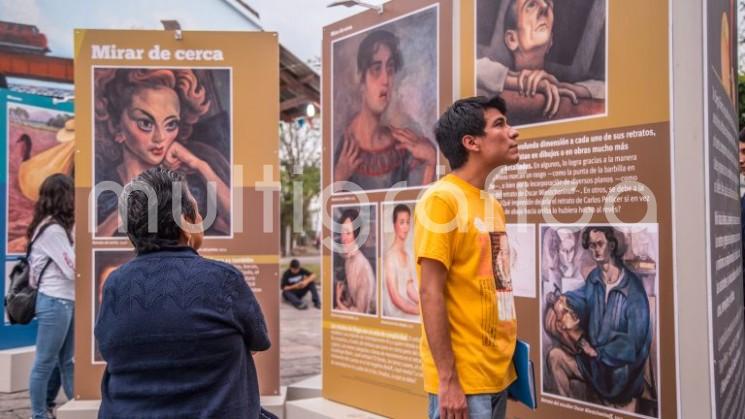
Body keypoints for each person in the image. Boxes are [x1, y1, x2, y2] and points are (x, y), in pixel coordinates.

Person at [95, 168, 270, 418]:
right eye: (197, 210)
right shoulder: (223, 280)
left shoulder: (115, 284)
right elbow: (257, 342)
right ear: (186, 223)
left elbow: (110, 346)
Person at [415, 95, 520, 419]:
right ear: (471, 141)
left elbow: (497, 287)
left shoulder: (492, 205)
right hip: (463, 383)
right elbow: (429, 292)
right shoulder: (441, 200)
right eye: (499, 124)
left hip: (496, 375)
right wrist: (448, 381)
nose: (513, 133)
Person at [94, 68, 230, 236]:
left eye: (170, 124)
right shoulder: (101, 186)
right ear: (116, 126)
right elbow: (88, 253)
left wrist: (200, 165)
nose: (160, 138)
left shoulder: (192, 184)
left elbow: (239, 227)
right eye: (145, 123)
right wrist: (116, 219)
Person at [545, 226, 652, 412]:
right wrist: (563, 300)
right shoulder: (595, 278)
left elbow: (634, 343)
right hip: (592, 366)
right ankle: (567, 411)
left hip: (619, 376)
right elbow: (583, 298)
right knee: (554, 357)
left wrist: (598, 352)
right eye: (592, 245)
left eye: (600, 244)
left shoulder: (633, 290)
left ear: (611, 245)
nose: (595, 249)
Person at [334, 30, 436, 191]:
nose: (385, 80)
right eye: (376, 69)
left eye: (390, 69)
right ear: (362, 79)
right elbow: (334, 213)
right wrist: (338, 181)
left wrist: (431, 162)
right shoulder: (344, 148)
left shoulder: (402, 147)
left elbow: (420, 210)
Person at [477, 0, 603, 118]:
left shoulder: (560, 89)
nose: (544, 7)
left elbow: (614, 92)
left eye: (548, 3)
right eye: (531, 5)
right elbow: (467, 70)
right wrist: (516, 81)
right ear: (512, 39)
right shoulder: (489, 90)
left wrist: (565, 87)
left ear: (551, 41)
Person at [27, 174, 75, 419]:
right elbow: (72, 268)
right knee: (45, 362)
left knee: (66, 361)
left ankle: (60, 405)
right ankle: (38, 414)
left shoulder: (57, 227)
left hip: (63, 301)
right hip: (56, 301)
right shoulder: (53, 230)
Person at [334, 208, 375, 314]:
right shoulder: (349, 259)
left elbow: (360, 313)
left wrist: (338, 301)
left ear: (356, 236)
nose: (343, 238)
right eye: (342, 232)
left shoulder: (362, 267)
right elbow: (353, 300)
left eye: (348, 233)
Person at [382, 204, 419, 320]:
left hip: (406, 306)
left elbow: (409, 288)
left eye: (408, 222)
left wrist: (424, 302)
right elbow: (395, 298)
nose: (406, 227)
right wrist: (418, 310)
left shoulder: (407, 254)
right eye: (402, 222)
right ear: (394, 225)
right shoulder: (390, 257)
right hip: (397, 313)